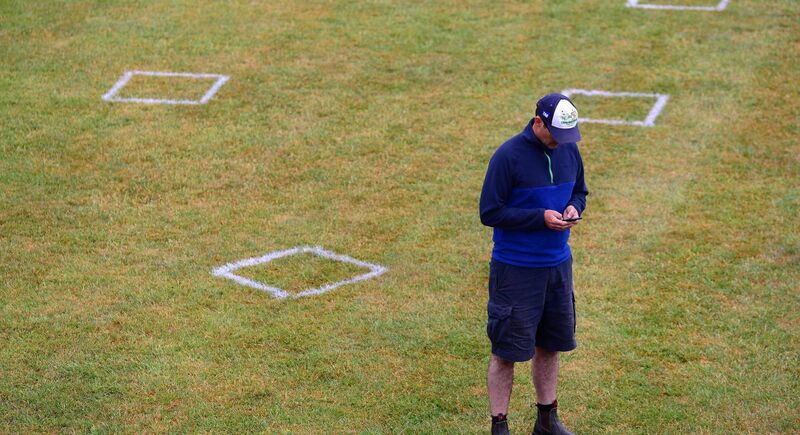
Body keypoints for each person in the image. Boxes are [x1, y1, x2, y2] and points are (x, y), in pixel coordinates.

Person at [479, 93, 588, 435]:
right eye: (555, 134)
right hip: (516, 270)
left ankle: (547, 420)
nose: (561, 143)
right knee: (506, 351)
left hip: (557, 267)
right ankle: (500, 425)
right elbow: (490, 212)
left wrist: (574, 208)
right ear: (538, 122)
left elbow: (581, 191)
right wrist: (538, 218)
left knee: (551, 345)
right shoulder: (508, 156)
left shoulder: (568, 148)